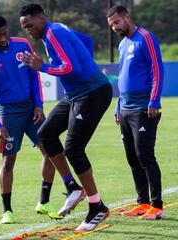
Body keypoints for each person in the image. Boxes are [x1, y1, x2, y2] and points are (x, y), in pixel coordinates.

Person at [0, 15, 85, 224]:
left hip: (31, 109)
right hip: (8, 113)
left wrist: (38, 105)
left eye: (4, 33)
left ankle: (44, 201)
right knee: (9, 160)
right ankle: (7, 210)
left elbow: (34, 76)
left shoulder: (22, 44)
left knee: (50, 150)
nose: (2, 38)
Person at [19, 3, 112, 232]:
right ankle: (72, 187)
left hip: (92, 94)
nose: (28, 30)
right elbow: (87, 41)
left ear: (41, 18)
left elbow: (71, 68)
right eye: (24, 27)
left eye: (30, 25)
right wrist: (87, 64)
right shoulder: (56, 29)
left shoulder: (54, 34)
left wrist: (43, 67)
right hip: (76, 95)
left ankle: (96, 206)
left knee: (73, 149)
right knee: (45, 134)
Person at [107, 5, 164, 220]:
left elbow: (157, 69)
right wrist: (118, 107)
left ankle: (157, 206)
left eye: (117, 23)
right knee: (132, 157)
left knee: (144, 155)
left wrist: (154, 100)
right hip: (125, 109)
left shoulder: (146, 37)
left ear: (127, 17)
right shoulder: (123, 44)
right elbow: (122, 77)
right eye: (111, 25)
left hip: (144, 108)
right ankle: (142, 202)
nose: (114, 27)